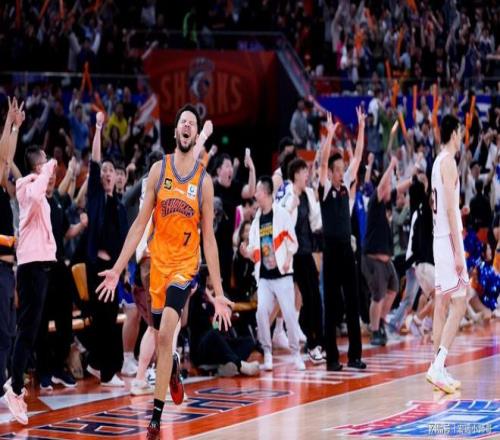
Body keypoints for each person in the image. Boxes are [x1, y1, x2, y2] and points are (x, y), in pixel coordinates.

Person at [96, 104, 233, 440]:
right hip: (156, 265)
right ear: (175, 132)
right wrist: (117, 267)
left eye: (192, 123)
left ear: (195, 134)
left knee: (168, 328)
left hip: (185, 267)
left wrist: (218, 292)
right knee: (160, 336)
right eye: (182, 122)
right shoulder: (159, 171)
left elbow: (210, 241)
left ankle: (155, 421)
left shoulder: (204, 182)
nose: (187, 126)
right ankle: (170, 365)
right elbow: (139, 224)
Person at [3, 143, 57, 425]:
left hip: (40, 266)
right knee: (26, 331)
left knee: (31, 330)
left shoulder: (37, 186)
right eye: (45, 160)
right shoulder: (28, 187)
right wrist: (48, 169)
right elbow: (36, 196)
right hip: (31, 267)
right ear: (38, 165)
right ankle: (14, 389)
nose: (49, 164)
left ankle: (13, 382)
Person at [319, 109, 366, 372]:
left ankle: (355, 356)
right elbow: (322, 163)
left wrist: (361, 127)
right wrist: (329, 135)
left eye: (341, 169)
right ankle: (332, 359)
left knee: (353, 302)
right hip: (331, 250)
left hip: (347, 250)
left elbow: (357, 157)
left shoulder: (347, 186)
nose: (340, 173)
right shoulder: (325, 188)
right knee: (332, 306)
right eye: (336, 170)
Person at [241, 176, 305, 371]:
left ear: (267, 193)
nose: (255, 194)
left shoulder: (282, 215)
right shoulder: (256, 221)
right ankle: (267, 353)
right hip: (264, 278)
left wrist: (287, 260)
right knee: (261, 312)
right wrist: (246, 253)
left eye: (258, 191)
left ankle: (296, 354)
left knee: (289, 315)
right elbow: (253, 250)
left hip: (283, 275)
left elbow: (293, 242)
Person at [85, 112, 129, 387]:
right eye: (104, 171)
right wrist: (99, 128)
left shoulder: (120, 207)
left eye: (111, 171)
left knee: (110, 318)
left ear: (117, 177)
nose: (107, 173)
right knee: (104, 319)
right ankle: (107, 373)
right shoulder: (95, 197)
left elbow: (124, 241)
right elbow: (94, 161)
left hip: (114, 271)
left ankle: (96, 364)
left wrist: (123, 271)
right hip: (98, 269)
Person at [427, 114, 468, 393]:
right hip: (448, 240)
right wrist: (458, 251)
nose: (462, 136)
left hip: (438, 238)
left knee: (442, 305)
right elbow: (452, 211)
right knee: (460, 303)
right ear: (454, 133)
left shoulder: (436, 162)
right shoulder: (450, 162)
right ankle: (438, 365)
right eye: (460, 131)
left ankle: (437, 368)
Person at [280, 158, 324, 362]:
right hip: (294, 255)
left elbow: (316, 222)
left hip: (307, 252)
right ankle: (312, 343)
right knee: (308, 297)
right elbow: (282, 223)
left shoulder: (308, 195)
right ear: (296, 174)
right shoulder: (288, 197)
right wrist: (291, 207)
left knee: (314, 298)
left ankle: (315, 342)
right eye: (305, 172)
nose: (307, 175)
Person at [0, 98, 23, 408]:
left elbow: (7, 161)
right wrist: (9, 124)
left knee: (8, 331)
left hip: (8, 270)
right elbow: (5, 159)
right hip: (0, 269)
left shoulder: (5, 194)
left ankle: (4, 381)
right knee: (3, 333)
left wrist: (15, 127)